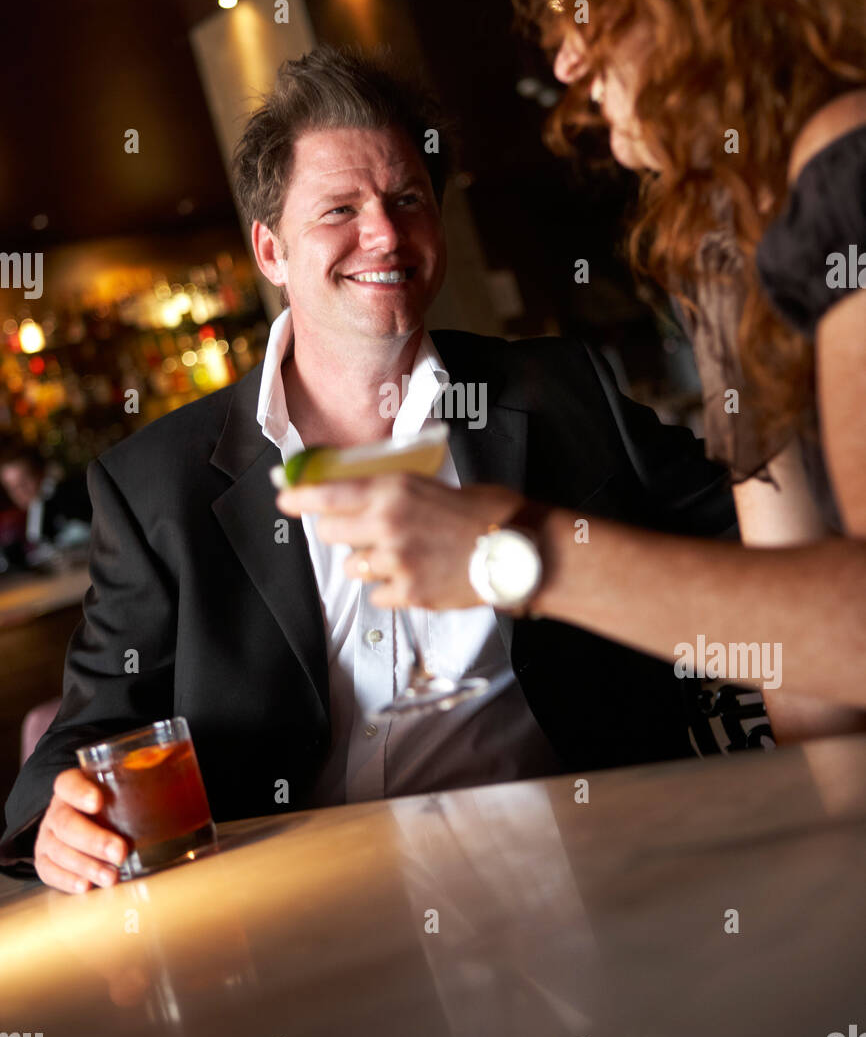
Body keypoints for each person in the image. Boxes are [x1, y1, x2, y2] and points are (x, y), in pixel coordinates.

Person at [1, 44, 739, 892]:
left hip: (591, 867)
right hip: (297, 913)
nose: (384, 233)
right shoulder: (154, 484)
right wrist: (56, 822)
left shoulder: (562, 388)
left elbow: (748, 528)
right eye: (340, 209)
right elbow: (85, 731)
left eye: (407, 200)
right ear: (272, 253)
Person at [274, 0, 866, 742]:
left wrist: (513, 548)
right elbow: (814, 686)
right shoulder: (734, 251)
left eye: (600, 5)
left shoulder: (847, 166)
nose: (565, 62)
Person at [0, 440, 92, 568]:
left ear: (41, 473)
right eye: (12, 487)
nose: (20, 491)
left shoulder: (67, 496)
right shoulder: (23, 519)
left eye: (25, 481)